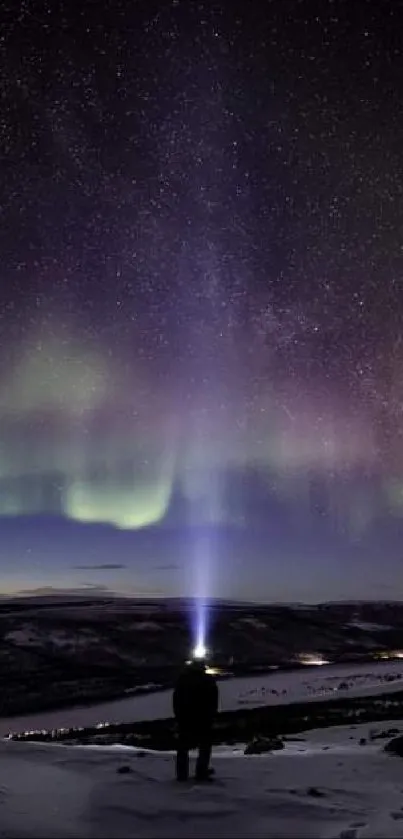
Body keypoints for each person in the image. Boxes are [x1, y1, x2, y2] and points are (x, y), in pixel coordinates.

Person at [172, 658, 219, 782]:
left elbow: (177, 700)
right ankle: (201, 772)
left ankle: (182, 775)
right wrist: (211, 717)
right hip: (203, 720)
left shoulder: (183, 680)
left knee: (183, 748)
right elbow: (213, 701)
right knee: (204, 747)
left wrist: (179, 717)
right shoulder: (208, 680)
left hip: (186, 719)